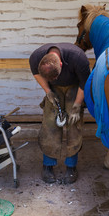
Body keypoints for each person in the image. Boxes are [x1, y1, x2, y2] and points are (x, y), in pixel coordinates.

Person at [29, 43, 91, 184]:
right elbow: (37, 74)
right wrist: (48, 91)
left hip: (76, 86)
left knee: (73, 125)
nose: (55, 78)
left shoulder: (78, 57)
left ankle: (71, 166)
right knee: (50, 124)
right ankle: (48, 165)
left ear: (61, 64)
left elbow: (84, 83)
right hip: (54, 88)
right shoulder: (35, 57)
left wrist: (77, 105)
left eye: (55, 76)